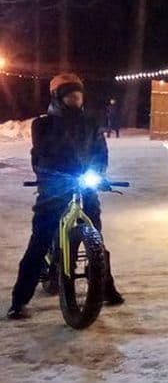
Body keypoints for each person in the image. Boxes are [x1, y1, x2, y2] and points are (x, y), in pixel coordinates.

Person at [7, 74, 124, 320]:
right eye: (70, 96)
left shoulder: (90, 123)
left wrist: (99, 174)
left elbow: (99, 152)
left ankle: (105, 286)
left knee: (97, 238)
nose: (75, 99)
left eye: (78, 95)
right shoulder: (43, 125)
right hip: (54, 186)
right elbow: (39, 156)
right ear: (58, 98)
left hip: (85, 183)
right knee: (40, 240)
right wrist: (47, 176)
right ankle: (19, 300)